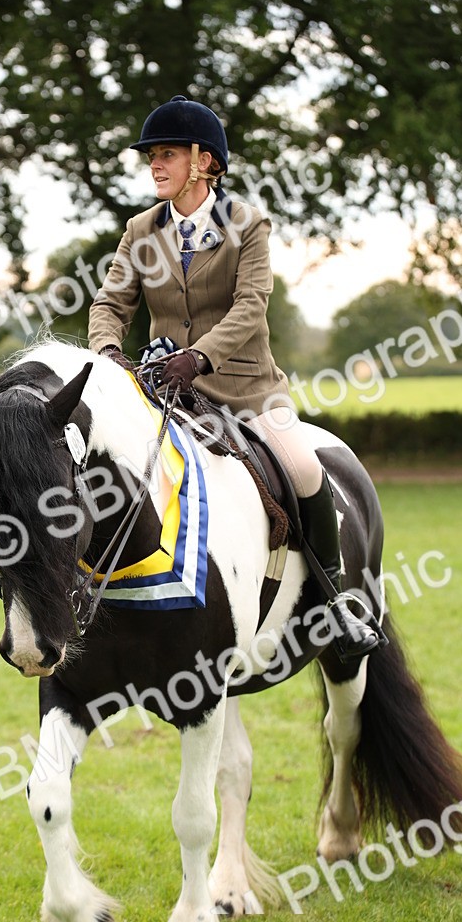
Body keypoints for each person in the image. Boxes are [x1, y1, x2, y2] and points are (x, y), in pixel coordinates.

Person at [88, 94, 379, 659]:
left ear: (204, 161)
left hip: (246, 388)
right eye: (152, 156)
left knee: (302, 468)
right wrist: (108, 352)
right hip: (164, 389)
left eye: (167, 154)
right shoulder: (141, 230)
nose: (155, 165)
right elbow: (109, 303)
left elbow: (251, 306)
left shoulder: (247, 225)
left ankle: (336, 601)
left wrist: (198, 356)